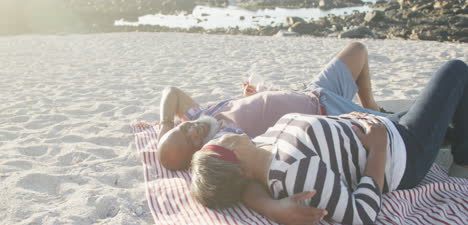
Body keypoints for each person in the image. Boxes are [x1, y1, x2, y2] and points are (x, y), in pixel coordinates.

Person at [190, 60, 468, 225]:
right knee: (455, 71)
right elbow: (362, 213)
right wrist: (379, 148)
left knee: (447, 111)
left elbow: (241, 186)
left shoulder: (260, 150)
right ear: (235, 158)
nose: (222, 135)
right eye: (220, 141)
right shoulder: (295, 172)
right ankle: (463, 164)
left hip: (381, 126)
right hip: (402, 151)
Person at [157, 42, 389, 171]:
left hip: (313, 91)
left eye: (183, 129)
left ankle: (372, 105)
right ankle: (372, 113)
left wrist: (164, 128)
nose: (193, 130)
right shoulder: (224, 141)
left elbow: (172, 93)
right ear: (197, 153)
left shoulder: (201, 116)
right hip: (326, 112)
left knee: (357, 50)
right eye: (192, 141)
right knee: (394, 127)